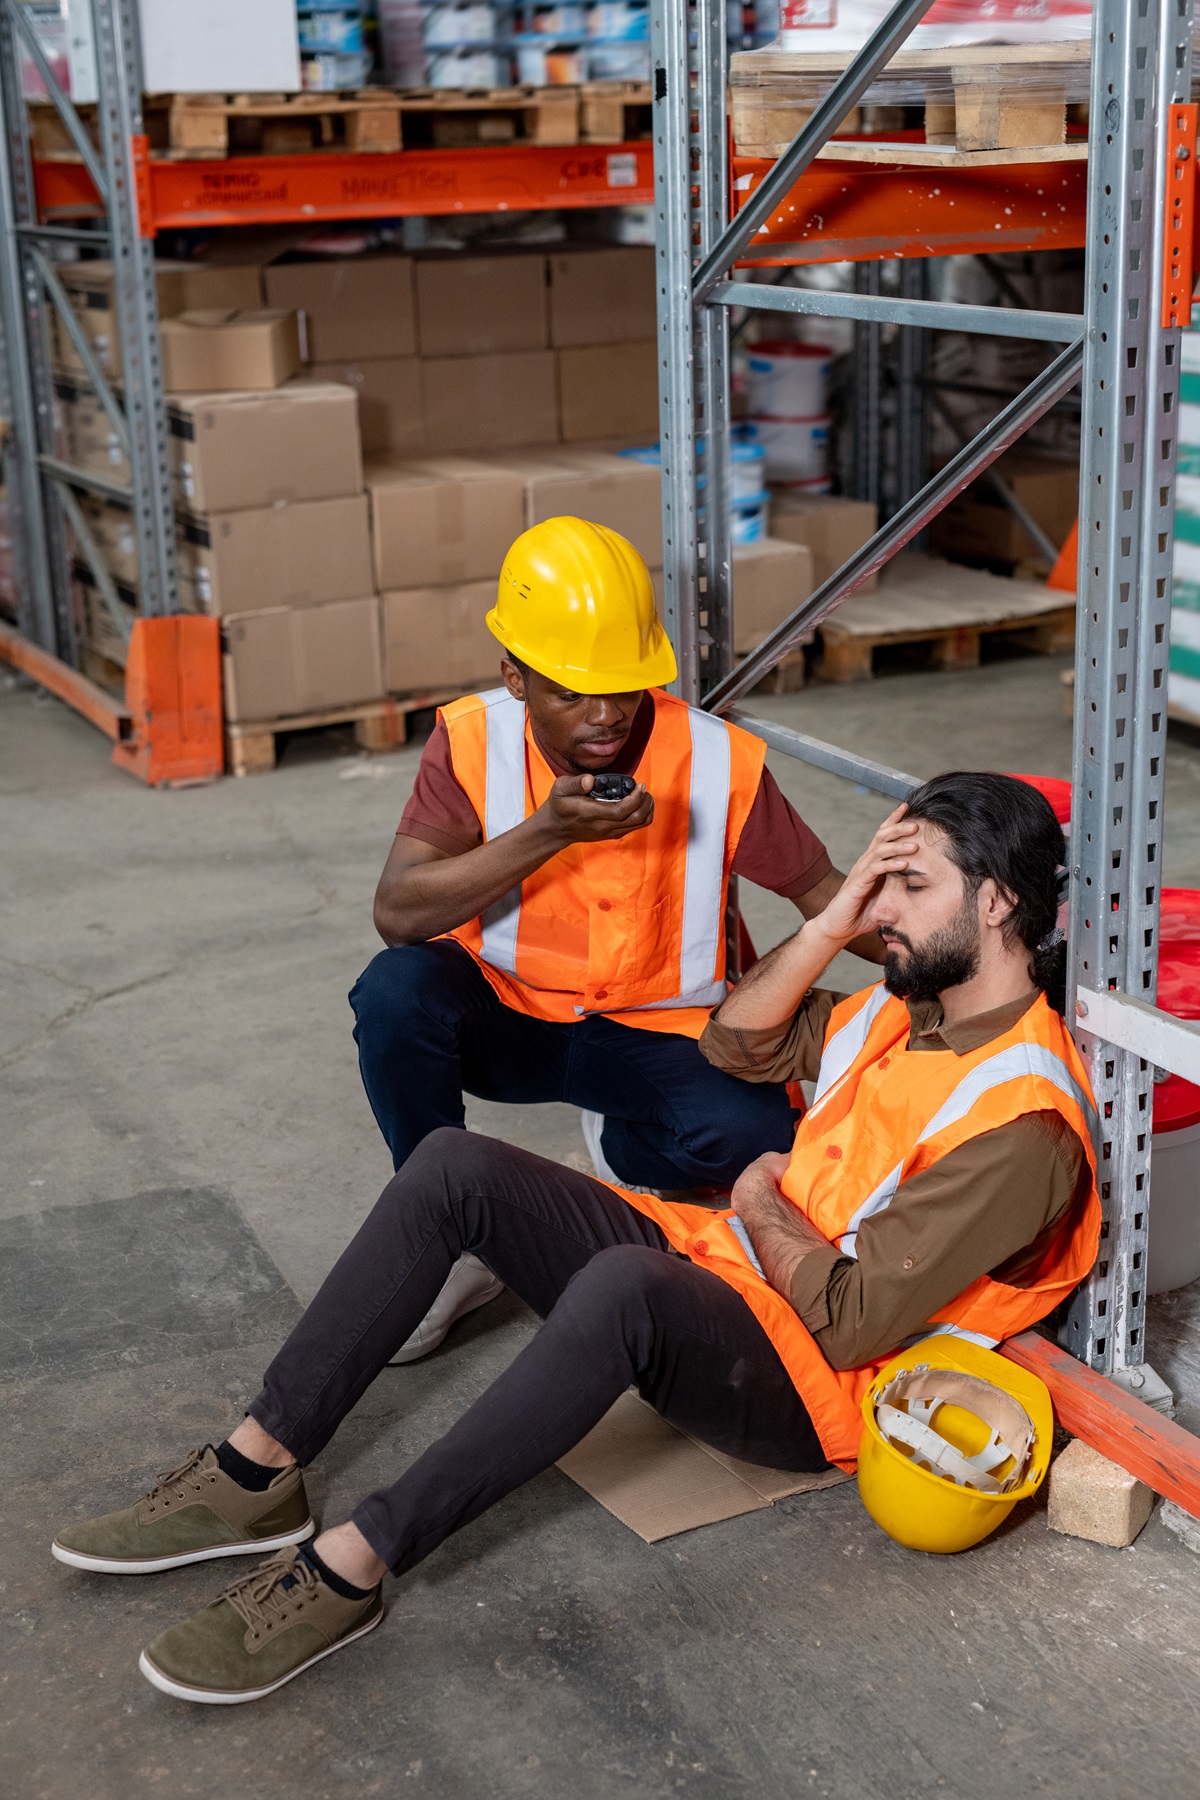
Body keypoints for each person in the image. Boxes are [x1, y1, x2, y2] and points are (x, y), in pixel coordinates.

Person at [53, 772, 1100, 1706]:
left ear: (998, 900)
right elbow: (740, 1043)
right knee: (454, 1169)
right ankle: (255, 1468)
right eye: (879, 885)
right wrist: (833, 923)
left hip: (818, 1383)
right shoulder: (902, 1006)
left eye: (907, 889)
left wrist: (763, 1200)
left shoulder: (1023, 1122)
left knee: (622, 1288)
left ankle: (349, 1566)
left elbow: (849, 1321)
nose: (880, 913)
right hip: (734, 1266)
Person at [354, 514, 882, 1360]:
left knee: (758, 1142)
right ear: (515, 677)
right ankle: (446, 1239)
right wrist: (545, 833)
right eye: (571, 691)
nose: (604, 715)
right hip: (508, 1019)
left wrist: (965, 958)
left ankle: (620, 1139)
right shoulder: (470, 739)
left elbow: (828, 898)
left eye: (624, 686)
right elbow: (397, 912)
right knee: (395, 993)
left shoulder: (715, 760)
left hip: (653, 1032)